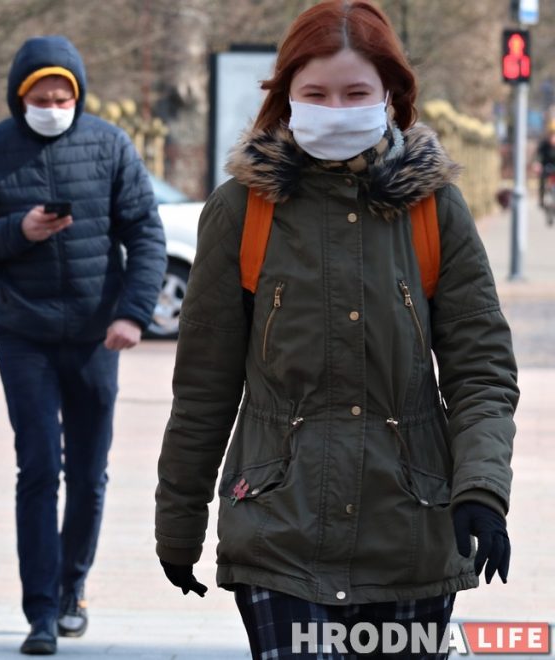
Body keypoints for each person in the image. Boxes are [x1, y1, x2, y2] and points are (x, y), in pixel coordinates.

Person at [154, 1, 518, 658]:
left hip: (412, 527)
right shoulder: (242, 209)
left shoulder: (434, 207)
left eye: (356, 92)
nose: (335, 107)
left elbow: (481, 368)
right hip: (277, 529)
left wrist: (483, 487)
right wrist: (178, 525)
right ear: (286, 95)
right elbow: (204, 383)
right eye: (315, 93)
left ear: (390, 96)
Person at [0, 35, 166, 656]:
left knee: (90, 474)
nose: (51, 105)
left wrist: (133, 315)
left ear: (78, 94)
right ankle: (40, 611)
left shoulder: (110, 145)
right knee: (40, 468)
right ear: (19, 98)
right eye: (39, 96)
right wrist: (19, 229)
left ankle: (74, 589)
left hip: (99, 336)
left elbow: (145, 234)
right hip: (25, 336)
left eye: (61, 95)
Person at [535, 125, 555, 209]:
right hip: (546, 167)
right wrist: (538, 164)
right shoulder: (544, 145)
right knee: (542, 180)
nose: (552, 138)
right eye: (551, 135)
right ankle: (541, 199)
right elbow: (539, 156)